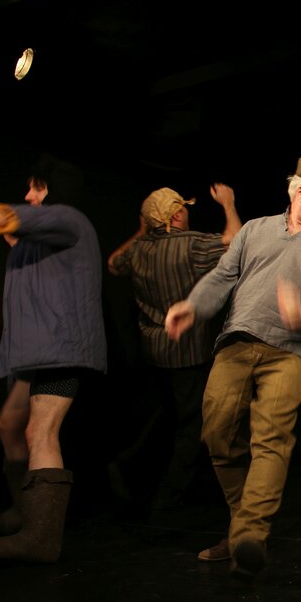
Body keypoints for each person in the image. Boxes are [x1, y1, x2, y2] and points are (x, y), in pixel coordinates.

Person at [164, 156, 301, 579]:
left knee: (271, 439)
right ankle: (240, 530)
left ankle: (250, 535)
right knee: (217, 434)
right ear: (300, 192)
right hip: (236, 343)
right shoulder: (254, 230)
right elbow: (222, 277)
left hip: (290, 352)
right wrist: (193, 306)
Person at [0, 155, 106, 562]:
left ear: (55, 190)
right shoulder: (43, 237)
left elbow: (14, 218)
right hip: (35, 353)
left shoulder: (68, 218)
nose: (29, 195)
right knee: (9, 425)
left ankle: (41, 537)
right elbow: (18, 231)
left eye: (37, 187)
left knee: (39, 431)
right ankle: (24, 512)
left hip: (60, 349)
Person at [106, 184, 242, 513]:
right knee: (192, 425)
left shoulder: (138, 250)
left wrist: (141, 231)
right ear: (176, 215)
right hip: (185, 351)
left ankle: (125, 466)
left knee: (164, 416)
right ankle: (168, 496)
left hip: (153, 351)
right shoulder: (189, 244)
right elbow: (236, 242)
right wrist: (228, 204)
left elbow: (112, 263)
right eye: (182, 208)